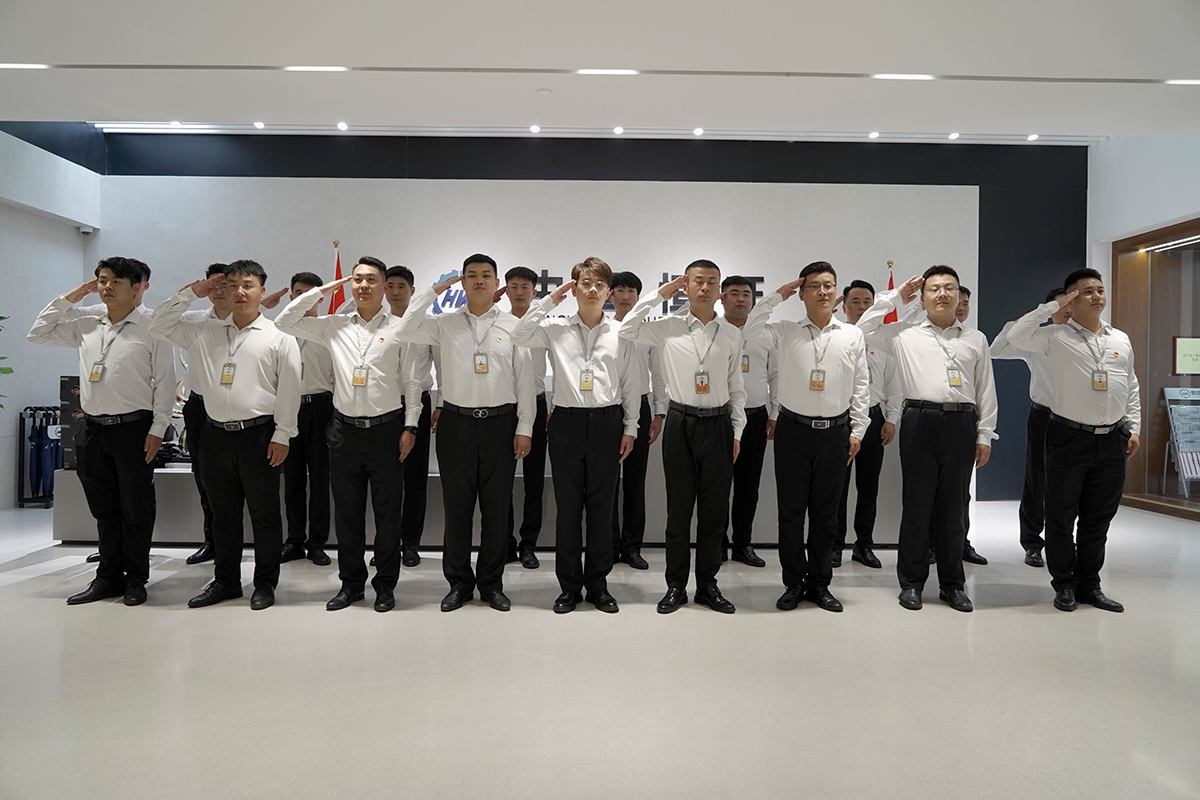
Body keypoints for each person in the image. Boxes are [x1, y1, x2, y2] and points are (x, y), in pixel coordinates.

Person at [149, 261, 300, 610]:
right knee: (223, 515)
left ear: (262, 290)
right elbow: (158, 325)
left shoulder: (279, 336)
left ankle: (264, 583)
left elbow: (290, 389)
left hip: (260, 435)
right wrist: (191, 293)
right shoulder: (204, 330)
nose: (240, 292)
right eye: (232, 285)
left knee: (264, 515)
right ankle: (226, 581)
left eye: (248, 285)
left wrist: (283, 434)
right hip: (215, 435)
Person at [276, 256, 421, 613]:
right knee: (348, 514)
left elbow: (412, 382)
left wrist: (411, 426)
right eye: (357, 279)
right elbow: (284, 321)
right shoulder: (333, 325)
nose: (363, 286)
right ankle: (351, 585)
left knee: (388, 514)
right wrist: (321, 292)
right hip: (344, 431)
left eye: (371, 279)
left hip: (387, 430)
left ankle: (384, 585)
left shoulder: (401, 328)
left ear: (384, 286)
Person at [28, 257, 175, 605]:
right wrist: (71, 298)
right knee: (104, 510)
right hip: (93, 428)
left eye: (116, 282)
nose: (107, 287)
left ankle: (136, 578)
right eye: (102, 280)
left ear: (137, 288)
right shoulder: (86, 322)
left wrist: (158, 428)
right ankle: (108, 577)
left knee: (136, 509)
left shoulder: (153, 327)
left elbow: (165, 382)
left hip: (135, 428)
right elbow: (38, 333)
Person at [393, 254, 535, 612]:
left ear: (497, 283)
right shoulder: (444, 323)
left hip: (501, 424)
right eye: (471, 275)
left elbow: (525, 382)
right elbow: (404, 328)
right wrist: (434, 291)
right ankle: (458, 583)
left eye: (486, 275)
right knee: (457, 509)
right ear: (463, 282)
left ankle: (491, 584)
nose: (479, 281)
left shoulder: (514, 325)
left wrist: (524, 428)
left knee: (496, 509)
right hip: (456, 424)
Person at [856, 266, 998, 613]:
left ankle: (952, 585)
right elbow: (860, 329)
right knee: (917, 507)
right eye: (934, 289)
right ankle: (912, 583)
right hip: (919, 420)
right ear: (921, 299)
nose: (942, 294)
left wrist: (985, 434)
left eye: (949, 288)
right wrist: (894, 297)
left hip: (962, 422)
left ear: (959, 296)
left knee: (954, 509)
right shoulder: (903, 333)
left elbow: (986, 389)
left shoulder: (975, 338)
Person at [1005, 268, 1139, 613]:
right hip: (1068, 436)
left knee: (1098, 518)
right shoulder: (1054, 336)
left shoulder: (1119, 339)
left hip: (1112, 438)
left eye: (1100, 290)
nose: (1096, 296)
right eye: (1087, 291)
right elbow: (1016, 336)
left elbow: (1131, 384)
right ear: (1071, 298)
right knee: (1061, 516)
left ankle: (1089, 584)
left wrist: (1134, 426)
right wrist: (1052, 306)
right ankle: (1064, 583)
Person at [510, 257, 638, 613]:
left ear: (608, 292)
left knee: (601, 508)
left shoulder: (621, 332)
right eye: (585, 283)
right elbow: (518, 334)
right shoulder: (555, 328)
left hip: (608, 422)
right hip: (566, 423)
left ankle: (597, 584)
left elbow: (631, 383)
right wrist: (550, 301)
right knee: (568, 509)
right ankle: (569, 586)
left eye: (599, 284)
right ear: (574, 288)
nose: (592, 289)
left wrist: (630, 427)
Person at [618, 260, 747, 614]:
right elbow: (627, 329)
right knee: (678, 511)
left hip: (719, 424)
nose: (704, 287)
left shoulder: (731, 333)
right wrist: (659, 295)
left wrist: (736, 431)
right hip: (680, 422)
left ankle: (707, 585)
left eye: (711, 282)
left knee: (714, 512)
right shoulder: (668, 327)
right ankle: (676, 585)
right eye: (697, 281)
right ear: (685, 287)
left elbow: (737, 389)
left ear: (719, 290)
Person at [745, 262, 870, 612]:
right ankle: (792, 583)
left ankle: (819, 583)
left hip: (836, 433)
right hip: (793, 432)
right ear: (801, 294)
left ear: (837, 292)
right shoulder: (785, 331)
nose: (822, 292)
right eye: (814, 286)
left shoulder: (852, 335)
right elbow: (751, 329)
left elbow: (861, 385)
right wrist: (777, 296)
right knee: (791, 513)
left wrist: (858, 429)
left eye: (828, 285)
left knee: (826, 515)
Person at [990, 287, 1072, 568]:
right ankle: (1033, 544)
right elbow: (996, 350)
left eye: (1072, 303)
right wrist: (1020, 322)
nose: (1068, 309)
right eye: (1062, 304)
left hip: (1076, 418)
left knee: (1071, 483)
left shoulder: (1086, 340)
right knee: (1036, 480)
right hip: (1044, 416)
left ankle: (1065, 541)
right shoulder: (1037, 338)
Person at [838, 279, 902, 570]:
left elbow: (895, 385)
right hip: (842, 419)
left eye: (868, 302)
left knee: (868, 486)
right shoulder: (837, 339)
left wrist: (891, 419)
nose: (862, 307)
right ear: (844, 307)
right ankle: (834, 545)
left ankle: (864, 544)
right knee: (837, 487)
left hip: (874, 419)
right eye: (856, 302)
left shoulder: (884, 342)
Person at [608, 271, 667, 570]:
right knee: (606, 481)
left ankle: (632, 547)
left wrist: (659, 412)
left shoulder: (649, 333)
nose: (626, 296)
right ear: (610, 295)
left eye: (631, 291)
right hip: (608, 408)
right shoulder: (604, 330)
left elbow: (659, 374)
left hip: (641, 408)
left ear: (639, 296)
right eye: (620, 290)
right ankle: (608, 545)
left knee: (635, 480)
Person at [718, 275, 778, 568]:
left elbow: (775, 375)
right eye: (734, 293)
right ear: (722, 298)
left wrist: (775, 412)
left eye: (746, 294)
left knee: (748, 487)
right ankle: (717, 544)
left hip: (756, 417)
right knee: (717, 485)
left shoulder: (765, 334)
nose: (741, 299)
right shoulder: (713, 331)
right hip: (721, 418)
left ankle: (743, 544)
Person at [174, 263, 229, 566]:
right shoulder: (193, 321)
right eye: (213, 285)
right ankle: (212, 541)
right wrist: (188, 295)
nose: (218, 291)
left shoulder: (249, 323)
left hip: (235, 409)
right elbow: (159, 321)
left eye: (225, 285)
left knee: (236, 480)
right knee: (203, 477)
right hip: (199, 407)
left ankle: (233, 541)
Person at [279, 271, 335, 567]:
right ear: (291, 297)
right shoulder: (279, 331)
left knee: (320, 479)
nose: (304, 298)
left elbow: (340, 378)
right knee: (292, 480)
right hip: (289, 409)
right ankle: (294, 540)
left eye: (311, 294)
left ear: (320, 298)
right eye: (299, 293)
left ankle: (317, 543)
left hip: (322, 408)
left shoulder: (329, 330)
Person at [385, 265, 437, 568]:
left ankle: (410, 543)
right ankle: (386, 544)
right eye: (390, 285)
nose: (395, 292)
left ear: (412, 291)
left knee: (415, 479)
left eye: (401, 286)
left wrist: (441, 404)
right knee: (386, 479)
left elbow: (440, 364)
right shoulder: (377, 323)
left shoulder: (427, 324)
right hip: (385, 405)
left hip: (420, 404)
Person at [499, 266, 550, 569]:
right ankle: (505, 543)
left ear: (534, 291)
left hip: (539, 405)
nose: (519, 292)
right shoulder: (498, 323)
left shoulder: (545, 327)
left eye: (525, 287)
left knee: (534, 481)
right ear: (506, 290)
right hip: (506, 408)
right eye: (514, 287)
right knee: (501, 480)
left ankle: (529, 544)